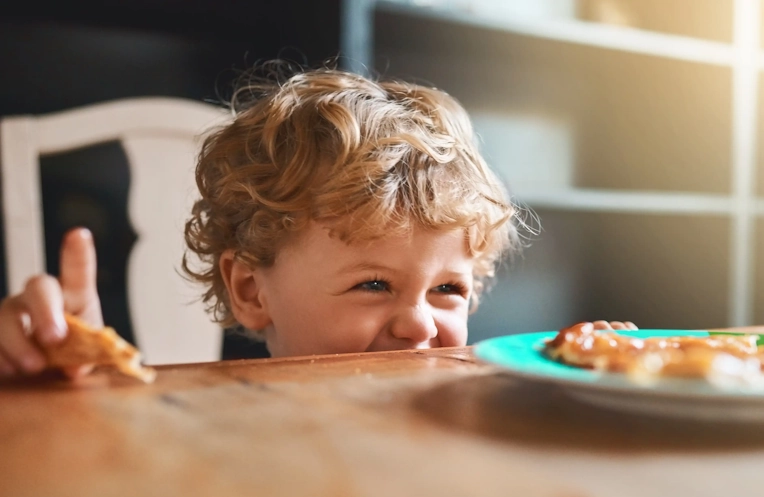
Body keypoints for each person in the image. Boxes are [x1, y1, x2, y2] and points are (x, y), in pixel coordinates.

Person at [0, 62, 633, 378]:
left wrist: (603, 370)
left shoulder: (470, 409)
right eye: (374, 284)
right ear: (251, 290)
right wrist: (66, 394)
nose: (420, 323)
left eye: (449, 289)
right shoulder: (218, 444)